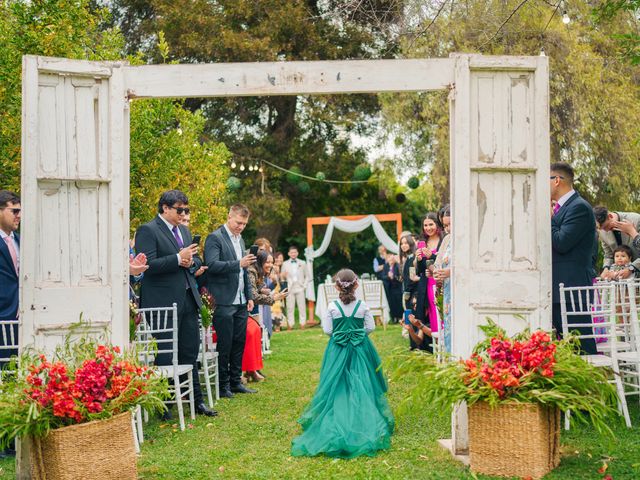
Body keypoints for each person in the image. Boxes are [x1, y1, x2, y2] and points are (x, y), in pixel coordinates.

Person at [291, 269, 394, 458]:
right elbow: (370, 327)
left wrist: (341, 336)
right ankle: (364, 417)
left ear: (337, 286)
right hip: (360, 349)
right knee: (363, 381)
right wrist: (357, 334)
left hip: (337, 350)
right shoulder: (362, 305)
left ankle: (336, 413)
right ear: (356, 285)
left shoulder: (332, 307)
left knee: (336, 382)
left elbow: (328, 330)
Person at [135, 190, 217, 417]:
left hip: (188, 297)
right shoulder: (147, 230)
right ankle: (164, 404)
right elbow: (147, 265)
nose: (183, 214)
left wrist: (191, 260)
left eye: (186, 210)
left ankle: (196, 401)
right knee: (165, 352)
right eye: (179, 210)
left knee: (191, 350)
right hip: (161, 301)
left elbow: (193, 260)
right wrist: (178, 258)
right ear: (165, 208)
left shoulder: (184, 230)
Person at [204, 204, 256, 397]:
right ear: (229, 217)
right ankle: (222, 385)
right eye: (238, 222)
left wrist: (249, 296)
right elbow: (212, 265)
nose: (240, 227)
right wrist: (238, 263)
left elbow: (244, 271)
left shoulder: (240, 240)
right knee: (224, 344)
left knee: (239, 342)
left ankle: (236, 381)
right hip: (223, 299)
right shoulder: (215, 238)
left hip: (241, 300)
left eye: (244, 224)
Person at [550, 163, 597, 354]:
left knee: (581, 342)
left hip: (572, 287)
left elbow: (562, 242)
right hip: (560, 286)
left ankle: (593, 382)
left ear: (557, 181)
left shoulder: (579, 207)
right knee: (567, 342)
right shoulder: (564, 208)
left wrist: (547, 218)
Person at [245, 250, 289, 381]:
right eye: (267, 262)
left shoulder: (259, 272)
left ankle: (253, 370)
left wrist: (263, 290)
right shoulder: (251, 271)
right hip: (244, 308)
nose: (270, 265)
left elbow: (256, 290)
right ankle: (249, 370)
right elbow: (253, 295)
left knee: (256, 331)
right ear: (260, 261)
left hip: (252, 308)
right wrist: (274, 297)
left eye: (271, 262)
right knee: (252, 332)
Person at [414, 212, 443, 352]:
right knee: (433, 313)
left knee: (442, 311)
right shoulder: (423, 242)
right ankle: (437, 348)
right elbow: (420, 271)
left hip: (440, 282)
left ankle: (446, 344)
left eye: (431, 224)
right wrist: (419, 260)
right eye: (425, 225)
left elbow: (444, 260)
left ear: (437, 224)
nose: (428, 228)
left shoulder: (443, 240)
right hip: (428, 284)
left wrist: (431, 255)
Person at [0, 190, 21, 368]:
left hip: (21, 316)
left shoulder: (20, 241)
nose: (18, 216)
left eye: (20, 211)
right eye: (14, 211)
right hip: (2, 314)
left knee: (16, 370)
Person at [593, 206, 640, 280]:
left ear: (610, 216)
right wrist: (606, 268)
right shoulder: (602, 231)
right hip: (621, 282)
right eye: (602, 229)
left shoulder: (636, 220)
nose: (606, 231)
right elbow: (608, 255)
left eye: (606, 226)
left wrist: (631, 268)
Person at [434, 205, 452, 353]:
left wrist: (450, 272)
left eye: (450, 224)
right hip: (447, 291)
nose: (447, 228)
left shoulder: (466, 240)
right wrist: (436, 273)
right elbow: (438, 263)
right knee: (448, 325)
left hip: (460, 289)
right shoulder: (446, 239)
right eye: (445, 225)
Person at [280, 246, 309, 330]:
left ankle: (302, 324)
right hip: (290, 288)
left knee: (302, 306)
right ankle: (290, 324)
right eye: (291, 252)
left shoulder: (302, 263)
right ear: (289, 253)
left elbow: (307, 276)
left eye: (295, 252)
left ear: (297, 253)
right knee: (290, 307)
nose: (293, 254)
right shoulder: (285, 264)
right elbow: (282, 278)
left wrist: (304, 286)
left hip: (300, 287)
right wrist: (283, 277)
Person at [382, 254, 403, 323]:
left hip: (397, 287)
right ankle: (393, 318)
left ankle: (399, 317)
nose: (391, 261)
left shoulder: (397, 266)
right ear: (388, 260)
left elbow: (400, 276)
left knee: (398, 302)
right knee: (391, 303)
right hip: (389, 288)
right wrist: (388, 277)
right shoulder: (385, 266)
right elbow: (383, 277)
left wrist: (393, 276)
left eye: (392, 259)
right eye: (390, 259)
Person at [271, 252, 286, 331]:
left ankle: (278, 326)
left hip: (279, 290)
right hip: (274, 290)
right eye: (278, 258)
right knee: (275, 308)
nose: (279, 259)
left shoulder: (282, 267)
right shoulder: (273, 267)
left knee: (280, 308)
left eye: (281, 257)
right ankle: (276, 326)